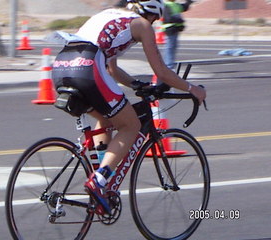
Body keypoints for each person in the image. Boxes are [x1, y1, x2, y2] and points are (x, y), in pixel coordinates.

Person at [52, 0, 206, 215]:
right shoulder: (142, 24)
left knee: (107, 118)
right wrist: (191, 88)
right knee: (131, 125)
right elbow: (161, 71)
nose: (153, 24)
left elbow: (113, 69)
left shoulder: (111, 15)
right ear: (152, 14)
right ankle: (99, 180)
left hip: (62, 65)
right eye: (155, 20)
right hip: (89, 66)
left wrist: (136, 85)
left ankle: (101, 182)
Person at [162, 0, 193, 70]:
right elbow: (167, 18)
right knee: (170, 48)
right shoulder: (166, 5)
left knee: (172, 47)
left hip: (175, 29)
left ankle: (169, 65)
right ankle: (168, 66)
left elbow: (184, 7)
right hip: (170, 29)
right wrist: (179, 20)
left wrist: (188, 2)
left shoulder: (175, 5)